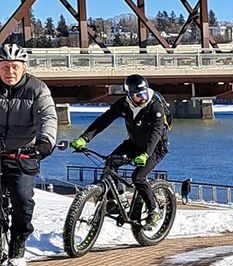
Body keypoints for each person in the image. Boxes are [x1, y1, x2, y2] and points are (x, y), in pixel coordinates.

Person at [70, 74, 170, 221]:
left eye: (144, 93)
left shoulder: (155, 107)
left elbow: (156, 133)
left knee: (138, 177)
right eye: (138, 95)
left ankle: (153, 210)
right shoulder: (123, 104)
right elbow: (104, 120)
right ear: (129, 94)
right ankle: (117, 200)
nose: (142, 97)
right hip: (134, 143)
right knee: (110, 163)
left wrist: (146, 154)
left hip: (155, 148)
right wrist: (85, 138)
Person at [0, 43, 58, 266]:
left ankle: (18, 246)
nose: (9, 71)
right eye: (4, 66)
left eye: (14, 66)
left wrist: (45, 142)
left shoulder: (37, 89)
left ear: (24, 67)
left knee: (23, 202)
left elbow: (48, 116)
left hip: (22, 153)